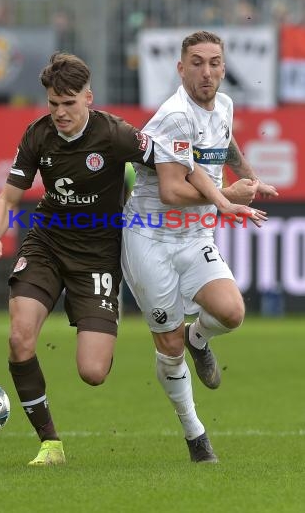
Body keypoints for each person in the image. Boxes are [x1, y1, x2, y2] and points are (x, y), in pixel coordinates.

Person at [0, 51, 263, 467]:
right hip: (46, 244)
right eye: (53, 104)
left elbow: (177, 163)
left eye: (69, 104)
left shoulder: (116, 134)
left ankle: (128, 327)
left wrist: (222, 197)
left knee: (93, 372)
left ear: (88, 99)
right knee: (20, 337)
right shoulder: (37, 135)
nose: (60, 113)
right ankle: (50, 444)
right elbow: (8, 197)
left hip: (98, 255)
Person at [121, 31, 278, 463]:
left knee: (231, 312)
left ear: (224, 67)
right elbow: (171, 191)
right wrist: (229, 199)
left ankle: (200, 338)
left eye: (214, 62)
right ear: (180, 67)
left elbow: (225, 143)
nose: (206, 72)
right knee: (167, 345)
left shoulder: (223, 105)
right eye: (196, 62)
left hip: (193, 236)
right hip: (150, 238)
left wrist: (250, 175)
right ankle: (195, 434)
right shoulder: (174, 115)